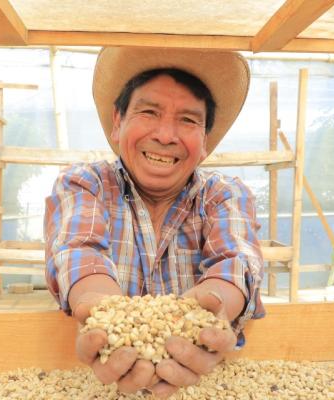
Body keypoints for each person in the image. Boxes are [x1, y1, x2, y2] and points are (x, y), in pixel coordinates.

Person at [44, 47, 265, 398]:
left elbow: (236, 261)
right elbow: (79, 250)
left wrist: (212, 310)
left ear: (204, 143)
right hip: (100, 386)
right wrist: (105, 314)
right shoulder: (85, 184)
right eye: (149, 112)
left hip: (198, 386)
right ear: (118, 123)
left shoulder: (223, 194)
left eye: (188, 120)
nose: (165, 135)